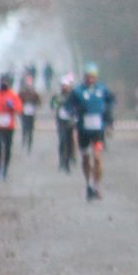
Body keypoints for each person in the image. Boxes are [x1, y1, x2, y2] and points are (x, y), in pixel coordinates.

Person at [66, 62, 115, 200]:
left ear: (96, 77)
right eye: (88, 77)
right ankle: (88, 184)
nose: (90, 79)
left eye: (93, 77)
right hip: (83, 131)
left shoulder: (103, 89)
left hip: (98, 130)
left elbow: (111, 102)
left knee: (98, 158)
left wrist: (109, 120)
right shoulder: (78, 91)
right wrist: (73, 115)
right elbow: (69, 106)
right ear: (84, 77)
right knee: (86, 158)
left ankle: (96, 185)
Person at [51, 74, 77, 173]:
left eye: (66, 85)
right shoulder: (57, 96)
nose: (65, 87)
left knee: (70, 141)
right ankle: (62, 160)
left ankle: (68, 160)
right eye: (63, 85)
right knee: (62, 140)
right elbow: (53, 105)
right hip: (61, 121)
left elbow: (77, 106)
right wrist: (57, 104)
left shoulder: (73, 95)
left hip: (70, 121)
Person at [19, 75, 42, 154]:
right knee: (24, 127)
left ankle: (29, 144)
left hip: (31, 113)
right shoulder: (22, 93)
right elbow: (18, 101)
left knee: (31, 129)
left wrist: (35, 105)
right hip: (24, 112)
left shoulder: (35, 93)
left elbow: (39, 102)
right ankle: (24, 140)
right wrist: (21, 108)